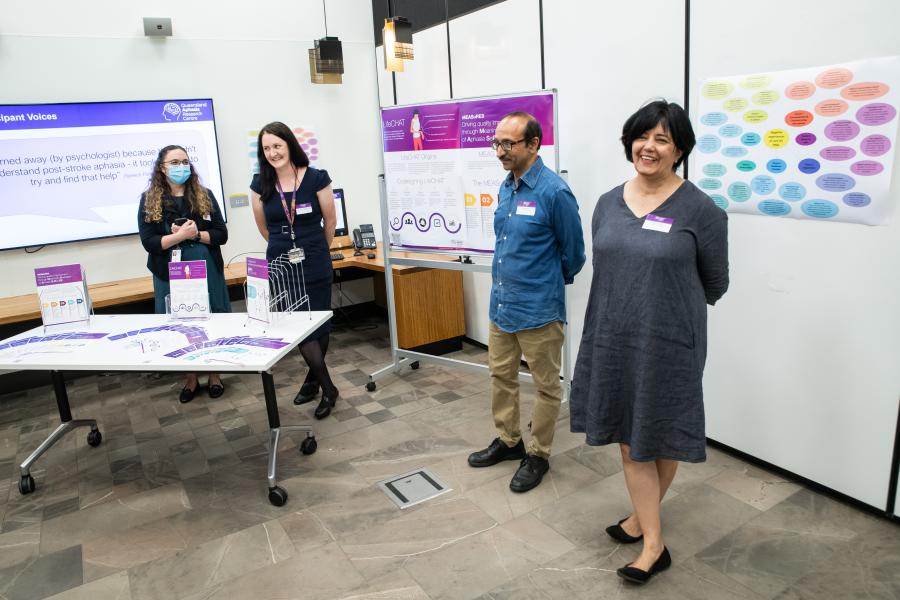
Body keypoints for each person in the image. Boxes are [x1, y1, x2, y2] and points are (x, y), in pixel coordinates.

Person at [570, 100, 729, 585]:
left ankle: (653, 544)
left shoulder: (700, 209)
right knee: (629, 441)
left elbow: (716, 283)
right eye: (643, 136)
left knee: (660, 435)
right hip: (614, 335)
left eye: (662, 139)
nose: (649, 147)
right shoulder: (606, 203)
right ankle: (646, 523)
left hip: (670, 340)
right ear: (629, 142)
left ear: (679, 148)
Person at [467, 112, 585, 493]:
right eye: (496, 143)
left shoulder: (554, 192)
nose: (500, 151)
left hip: (539, 308)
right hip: (502, 304)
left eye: (508, 144)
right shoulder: (507, 186)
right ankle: (509, 441)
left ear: (533, 144)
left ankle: (539, 454)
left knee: (547, 385)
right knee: (501, 376)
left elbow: (575, 254)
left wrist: (544, 283)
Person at [250, 121, 340, 419]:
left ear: (289, 145)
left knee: (320, 322)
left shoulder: (316, 178)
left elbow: (330, 222)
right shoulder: (259, 184)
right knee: (299, 326)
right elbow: (264, 228)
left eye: (277, 145)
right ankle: (328, 387)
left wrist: (318, 250)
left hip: (315, 257)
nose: (273, 152)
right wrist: (285, 246)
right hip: (281, 263)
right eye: (266, 148)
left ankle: (314, 380)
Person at [138, 145, 231, 403]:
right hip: (169, 269)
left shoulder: (205, 195)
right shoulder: (149, 200)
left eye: (185, 161)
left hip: (205, 265)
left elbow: (222, 235)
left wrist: (197, 234)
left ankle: (214, 374)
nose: (181, 166)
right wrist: (178, 236)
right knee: (180, 324)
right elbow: (149, 243)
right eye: (175, 162)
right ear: (162, 168)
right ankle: (190, 378)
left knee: (209, 317)